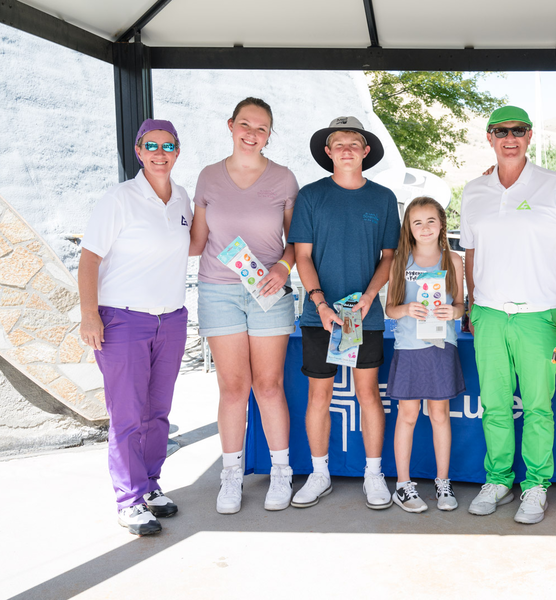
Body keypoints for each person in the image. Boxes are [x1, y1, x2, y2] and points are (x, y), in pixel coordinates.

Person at [461, 105, 556, 525]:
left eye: (517, 131)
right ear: (490, 138)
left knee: (537, 407)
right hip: (490, 316)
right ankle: (497, 480)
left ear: (529, 136)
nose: (509, 138)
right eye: (500, 131)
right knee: (495, 405)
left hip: (540, 317)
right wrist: (471, 305)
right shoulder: (474, 191)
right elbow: (471, 252)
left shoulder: (554, 187)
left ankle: (535, 486)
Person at [79, 119, 191, 536]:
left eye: (168, 145)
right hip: (122, 319)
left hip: (172, 318)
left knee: (157, 412)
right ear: (139, 152)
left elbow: (193, 244)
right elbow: (89, 258)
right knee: (126, 415)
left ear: (177, 152)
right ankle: (128, 499)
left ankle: (150, 485)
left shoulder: (181, 197)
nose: (160, 152)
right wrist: (89, 314)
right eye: (151, 145)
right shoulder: (120, 198)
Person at [190, 98, 299, 515]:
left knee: (268, 386)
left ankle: (281, 472)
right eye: (246, 125)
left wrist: (283, 266)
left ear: (270, 134)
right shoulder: (208, 177)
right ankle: (231, 475)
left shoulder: (285, 179)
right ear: (231, 125)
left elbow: (297, 241)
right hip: (218, 290)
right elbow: (196, 242)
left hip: (268, 290)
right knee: (233, 388)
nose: (252, 134)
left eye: (262, 128)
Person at [288, 116, 400, 510]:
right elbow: (301, 255)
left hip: (365, 316)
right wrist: (319, 302)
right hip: (320, 316)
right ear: (328, 151)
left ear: (366, 151)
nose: (347, 149)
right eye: (339, 143)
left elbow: (389, 258)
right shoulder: (311, 195)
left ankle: (374, 475)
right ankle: (320, 474)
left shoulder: (383, 198)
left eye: (355, 143)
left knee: (369, 394)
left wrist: (370, 297)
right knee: (319, 395)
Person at [385, 196, 466, 513]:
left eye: (431, 221)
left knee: (439, 415)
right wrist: (406, 308)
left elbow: (461, 305)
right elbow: (390, 308)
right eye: (417, 222)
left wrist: (453, 312)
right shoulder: (399, 262)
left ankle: (442, 483)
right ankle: (403, 486)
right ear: (409, 227)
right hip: (409, 347)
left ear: (442, 224)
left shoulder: (453, 261)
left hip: (441, 347)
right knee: (407, 415)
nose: (425, 228)